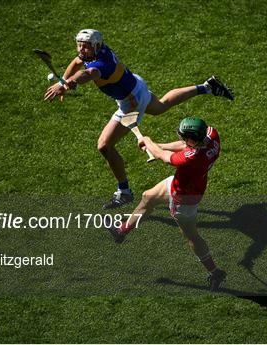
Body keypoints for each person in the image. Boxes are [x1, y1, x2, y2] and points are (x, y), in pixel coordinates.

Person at [44, 29, 234, 209]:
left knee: (104, 145)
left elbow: (86, 74)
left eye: (85, 46)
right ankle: (207, 87)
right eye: (79, 45)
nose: (81, 49)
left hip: (131, 101)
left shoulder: (101, 65)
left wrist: (69, 84)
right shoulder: (94, 52)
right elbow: (77, 63)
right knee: (160, 106)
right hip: (136, 85)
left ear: (95, 45)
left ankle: (124, 191)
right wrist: (63, 81)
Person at [105, 117, 227, 291]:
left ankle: (215, 272)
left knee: (191, 236)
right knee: (148, 197)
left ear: (193, 139)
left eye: (185, 136)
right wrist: (158, 145)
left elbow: (164, 157)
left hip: (183, 198)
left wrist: (148, 141)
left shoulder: (190, 159)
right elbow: (184, 146)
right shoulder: (211, 134)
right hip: (183, 183)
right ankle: (121, 231)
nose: (183, 139)